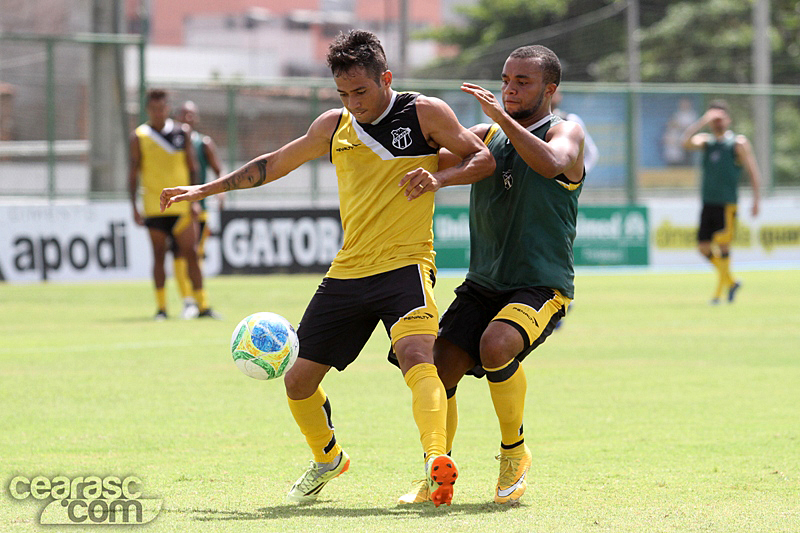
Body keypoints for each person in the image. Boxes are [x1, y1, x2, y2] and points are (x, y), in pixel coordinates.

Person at [160, 30, 494, 506]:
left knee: (420, 360)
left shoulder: (425, 113)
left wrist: (438, 177)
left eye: (361, 91)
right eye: (343, 94)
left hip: (406, 264)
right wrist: (204, 190)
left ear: (386, 78)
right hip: (348, 272)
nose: (353, 103)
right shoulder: (333, 125)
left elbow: (481, 159)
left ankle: (435, 463)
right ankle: (328, 458)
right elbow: (273, 164)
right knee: (296, 380)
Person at [398, 45, 585, 506]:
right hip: (484, 282)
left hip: (541, 283)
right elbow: (419, 159)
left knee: (497, 344)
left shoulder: (567, 132)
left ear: (550, 89)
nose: (510, 88)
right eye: (506, 79)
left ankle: (513, 455)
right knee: (437, 369)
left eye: (523, 81)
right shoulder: (486, 135)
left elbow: (550, 163)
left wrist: (502, 119)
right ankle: (436, 471)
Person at [129, 89, 217, 320]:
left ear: (168, 108)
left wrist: (195, 199)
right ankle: (161, 308)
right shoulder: (139, 136)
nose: (159, 112)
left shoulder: (182, 132)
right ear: (148, 109)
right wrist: (133, 206)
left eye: (162, 108)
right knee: (158, 256)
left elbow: (193, 167)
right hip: (153, 206)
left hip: (182, 206)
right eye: (154, 108)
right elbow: (133, 171)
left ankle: (203, 306)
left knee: (191, 255)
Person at [682, 100, 761, 304]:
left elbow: (752, 171)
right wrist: (702, 120)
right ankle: (731, 281)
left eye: (720, 118)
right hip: (708, 202)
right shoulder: (707, 142)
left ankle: (719, 294)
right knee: (703, 247)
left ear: (728, 119)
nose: (717, 122)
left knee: (724, 246)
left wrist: (756, 199)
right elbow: (685, 142)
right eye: (713, 119)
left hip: (727, 204)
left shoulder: (737, 143)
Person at [172, 101, 225, 320]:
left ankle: (199, 302)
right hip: (174, 209)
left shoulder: (202, 143)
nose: (188, 118)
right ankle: (188, 301)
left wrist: (221, 192)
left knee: (194, 255)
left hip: (198, 209)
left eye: (192, 114)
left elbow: (217, 169)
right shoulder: (170, 143)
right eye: (184, 114)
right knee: (177, 256)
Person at [551, 88, 598, 173]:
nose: (550, 95)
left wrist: (580, 173)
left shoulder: (569, 119)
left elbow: (591, 152)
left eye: (554, 92)